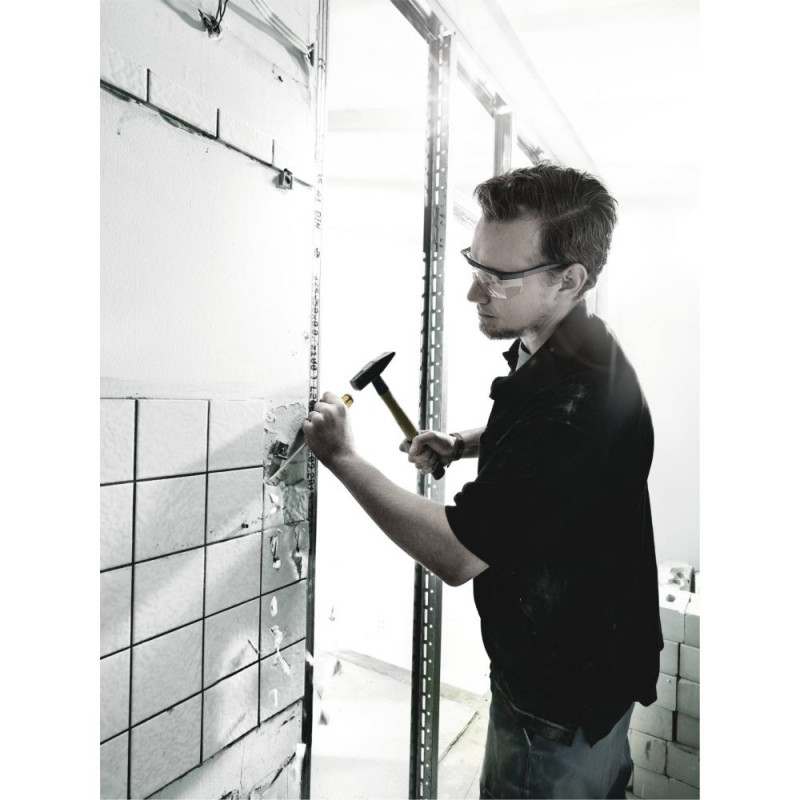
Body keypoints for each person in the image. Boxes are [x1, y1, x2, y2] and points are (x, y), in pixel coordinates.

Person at [303, 164, 663, 799]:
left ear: (569, 279)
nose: (474, 292)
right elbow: (538, 449)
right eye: (476, 266)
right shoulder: (570, 346)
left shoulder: (579, 408)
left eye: (498, 278)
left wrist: (342, 458)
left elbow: (456, 553)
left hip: (558, 702)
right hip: (592, 667)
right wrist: (463, 443)